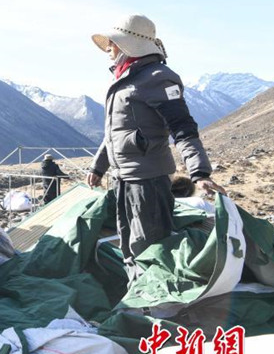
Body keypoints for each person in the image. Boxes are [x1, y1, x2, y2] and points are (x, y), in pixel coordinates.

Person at [85, 15, 226, 282]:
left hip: (147, 181)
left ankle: (159, 308)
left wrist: (199, 173)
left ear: (129, 46)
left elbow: (182, 128)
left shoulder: (159, 79)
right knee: (128, 244)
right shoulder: (124, 80)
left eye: (112, 44)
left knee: (149, 247)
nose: (108, 50)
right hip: (124, 178)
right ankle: (138, 299)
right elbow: (114, 132)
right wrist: (98, 166)